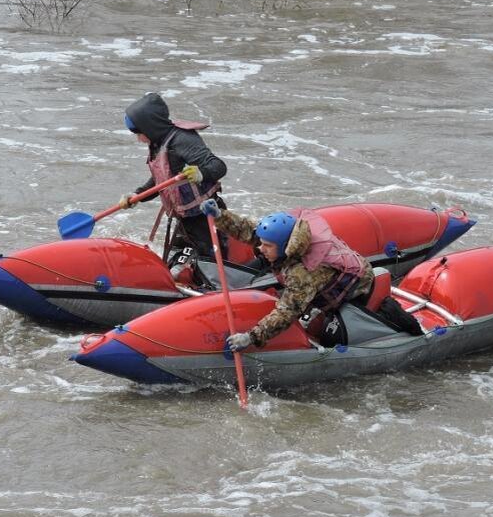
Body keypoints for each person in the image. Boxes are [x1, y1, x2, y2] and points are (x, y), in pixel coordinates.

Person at [199, 199, 376, 351]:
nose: (260, 248)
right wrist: (219, 216)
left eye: (267, 246)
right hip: (326, 271)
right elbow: (251, 230)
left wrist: (251, 337)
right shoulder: (284, 241)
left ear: (285, 247)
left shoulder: (302, 274)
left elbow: (287, 313)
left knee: (310, 313)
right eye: (262, 244)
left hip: (358, 287)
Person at [119, 93, 228, 273]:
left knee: (210, 267)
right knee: (173, 264)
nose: (138, 139)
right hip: (183, 219)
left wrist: (201, 173)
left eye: (139, 133)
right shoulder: (158, 143)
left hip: (204, 216)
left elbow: (218, 166)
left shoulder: (183, 139)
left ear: (150, 126)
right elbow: (161, 179)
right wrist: (137, 195)